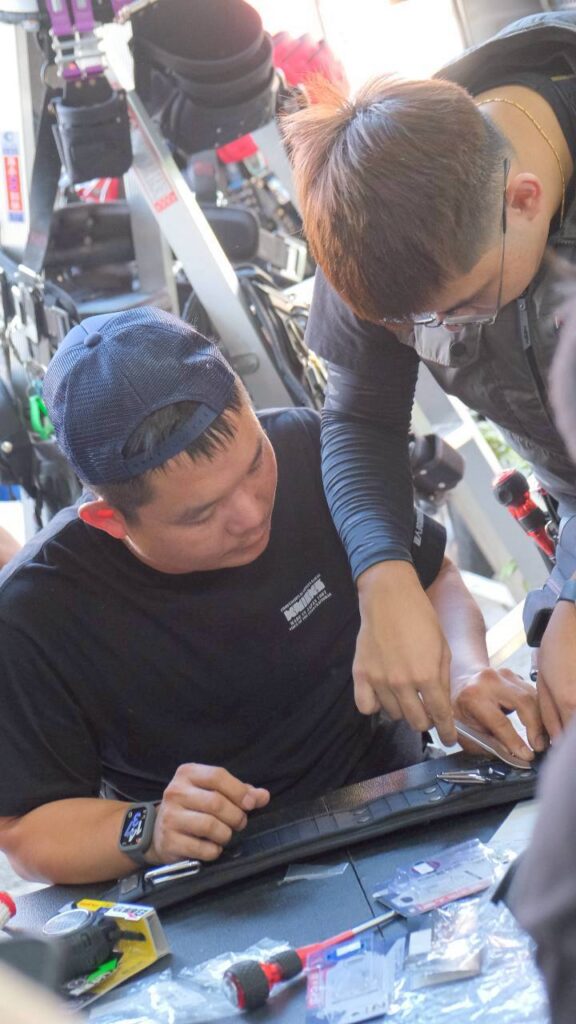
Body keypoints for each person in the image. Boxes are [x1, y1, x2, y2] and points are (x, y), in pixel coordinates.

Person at [0, 307, 541, 886]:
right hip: (220, 877)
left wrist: (465, 673)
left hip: (401, 800)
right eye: (201, 514)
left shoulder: (310, 447)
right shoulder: (36, 611)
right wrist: (148, 828)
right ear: (109, 520)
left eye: (255, 462)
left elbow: (434, 580)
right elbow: (25, 830)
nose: (251, 513)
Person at [282, 10, 576, 746]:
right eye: (408, 324)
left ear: (525, 199)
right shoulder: (384, 203)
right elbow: (363, 417)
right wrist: (382, 573)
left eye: (464, 306)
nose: (436, 333)